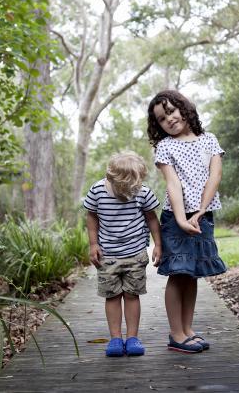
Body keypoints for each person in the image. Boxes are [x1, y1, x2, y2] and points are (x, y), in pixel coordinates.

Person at [147, 90, 226, 354]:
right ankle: (176, 334)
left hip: (202, 216)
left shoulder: (210, 139)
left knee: (191, 274)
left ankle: (187, 329)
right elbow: (173, 185)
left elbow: (215, 176)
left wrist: (201, 210)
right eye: (161, 118)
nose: (168, 119)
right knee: (178, 273)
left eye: (171, 111)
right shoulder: (165, 147)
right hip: (176, 218)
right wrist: (181, 220)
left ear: (184, 108)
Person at [84, 151, 162, 357]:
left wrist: (158, 244)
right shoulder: (97, 191)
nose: (131, 191)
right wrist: (93, 245)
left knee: (131, 295)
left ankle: (132, 338)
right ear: (112, 179)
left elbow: (152, 219)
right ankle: (116, 338)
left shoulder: (143, 192)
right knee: (112, 296)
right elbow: (91, 218)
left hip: (136, 254)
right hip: (107, 255)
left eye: (135, 186)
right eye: (127, 187)